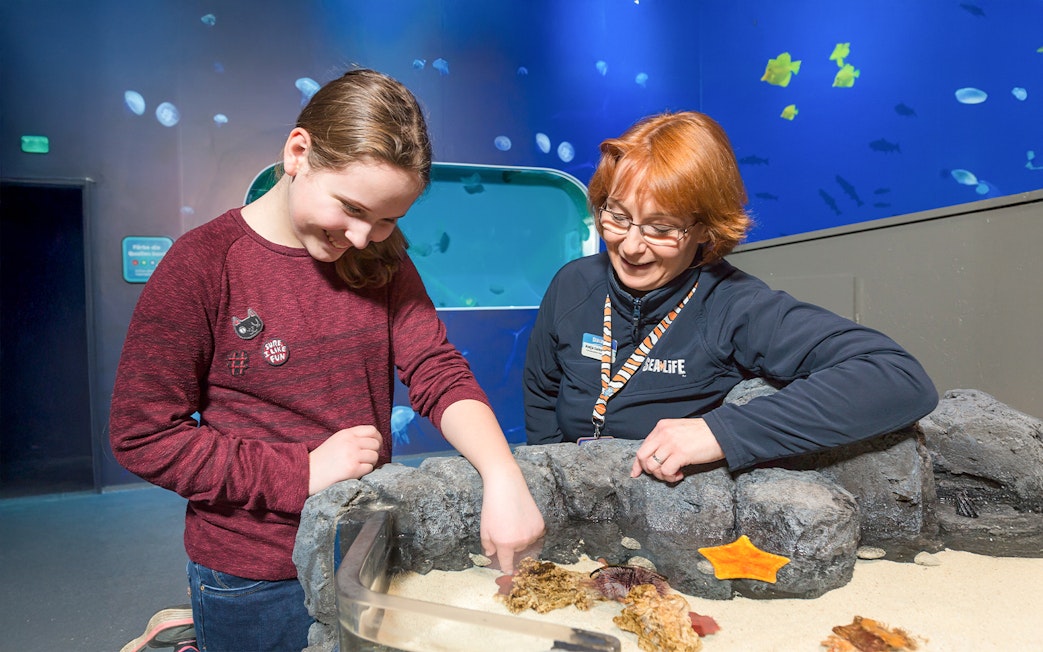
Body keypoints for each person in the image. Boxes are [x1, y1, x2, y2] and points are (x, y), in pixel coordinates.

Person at [111, 68, 545, 652]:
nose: (364, 237)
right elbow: (143, 436)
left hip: (365, 546)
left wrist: (502, 474)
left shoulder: (382, 259)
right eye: (350, 207)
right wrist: (302, 472)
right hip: (255, 571)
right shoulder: (202, 266)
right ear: (299, 152)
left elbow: (437, 369)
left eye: (388, 218)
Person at [523, 111, 938, 483]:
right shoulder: (573, 283)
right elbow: (542, 394)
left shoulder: (737, 304)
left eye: (661, 228)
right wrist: (550, 481)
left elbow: (898, 377)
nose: (630, 246)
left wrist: (720, 432)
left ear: (706, 229)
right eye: (617, 216)